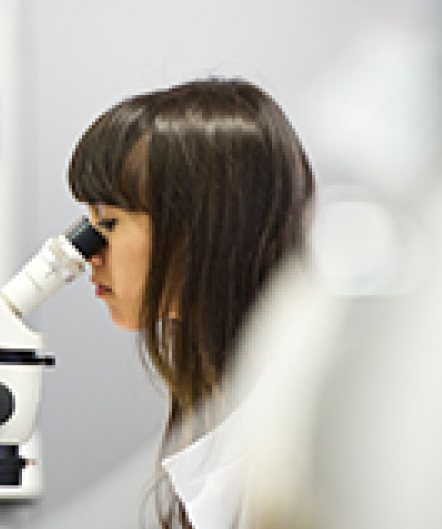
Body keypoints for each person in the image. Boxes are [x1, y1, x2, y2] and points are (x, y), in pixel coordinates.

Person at [67, 78, 315, 529]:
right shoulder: (233, 388)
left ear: (197, 229)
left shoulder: (301, 423)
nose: (88, 253)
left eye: (107, 222)